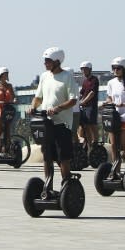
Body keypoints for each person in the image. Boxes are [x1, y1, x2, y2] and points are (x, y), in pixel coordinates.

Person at [28, 47, 78, 191]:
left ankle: (67, 186)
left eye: (48, 61)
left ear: (57, 61)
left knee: (63, 158)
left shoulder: (67, 77)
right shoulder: (44, 76)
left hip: (62, 123)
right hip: (46, 123)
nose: (45, 63)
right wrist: (33, 106)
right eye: (45, 61)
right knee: (47, 156)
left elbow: (73, 100)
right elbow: (38, 97)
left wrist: (58, 108)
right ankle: (48, 187)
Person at [104, 57, 125, 163]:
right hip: (113, 116)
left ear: (124, 69)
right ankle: (116, 169)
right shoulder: (111, 83)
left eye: (118, 68)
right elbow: (109, 97)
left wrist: (123, 104)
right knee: (114, 144)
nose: (115, 70)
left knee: (124, 144)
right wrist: (108, 102)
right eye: (113, 68)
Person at [0, 67, 16, 156]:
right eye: (5, 74)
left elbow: (13, 97)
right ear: (0, 75)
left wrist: (15, 100)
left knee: (8, 130)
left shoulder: (9, 86)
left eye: (7, 74)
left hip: (8, 110)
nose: (7, 76)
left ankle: (7, 150)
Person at [77, 61, 100, 147]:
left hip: (91, 106)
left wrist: (83, 102)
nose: (83, 71)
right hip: (84, 107)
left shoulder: (94, 79)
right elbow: (81, 93)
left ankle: (96, 142)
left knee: (92, 125)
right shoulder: (85, 81)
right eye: (82, 69)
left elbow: (92, 93)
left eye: (85, 69)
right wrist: (76, 101)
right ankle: (90, 144)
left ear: (90, 69)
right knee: (85, 126)